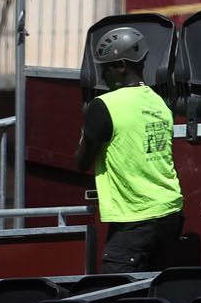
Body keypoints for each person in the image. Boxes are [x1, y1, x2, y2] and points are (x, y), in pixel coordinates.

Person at [74, 27, 184, 272]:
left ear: (122, 65)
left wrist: (87, 128)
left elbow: (81, 162)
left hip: (136, 216)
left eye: (106, 67)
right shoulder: (159, 103)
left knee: (117, 294)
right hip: (169, 212)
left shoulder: (105, 106)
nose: (103, 75)